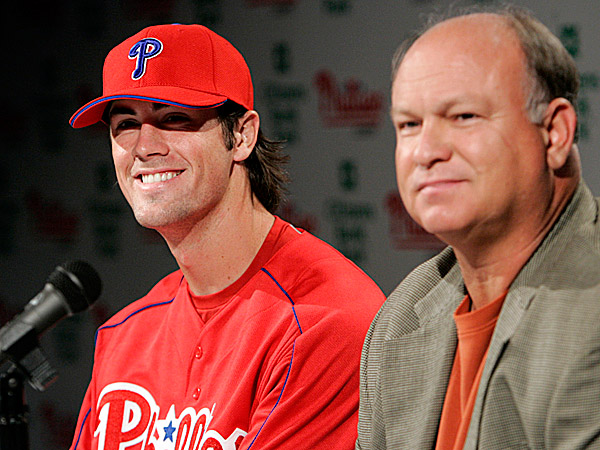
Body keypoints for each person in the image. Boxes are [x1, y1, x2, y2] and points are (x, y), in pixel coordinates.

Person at [68, 24, 385, 450]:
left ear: (242, 136)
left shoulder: (324, 321)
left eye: (174, 117)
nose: (144, 146)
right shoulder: (125, 334)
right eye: (126, 123)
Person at [357, 6, 600, 450]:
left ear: (555, 132)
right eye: (409, 125)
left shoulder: (590, 312)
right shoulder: (399, 317)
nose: (426, 151)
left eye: (463, 117)